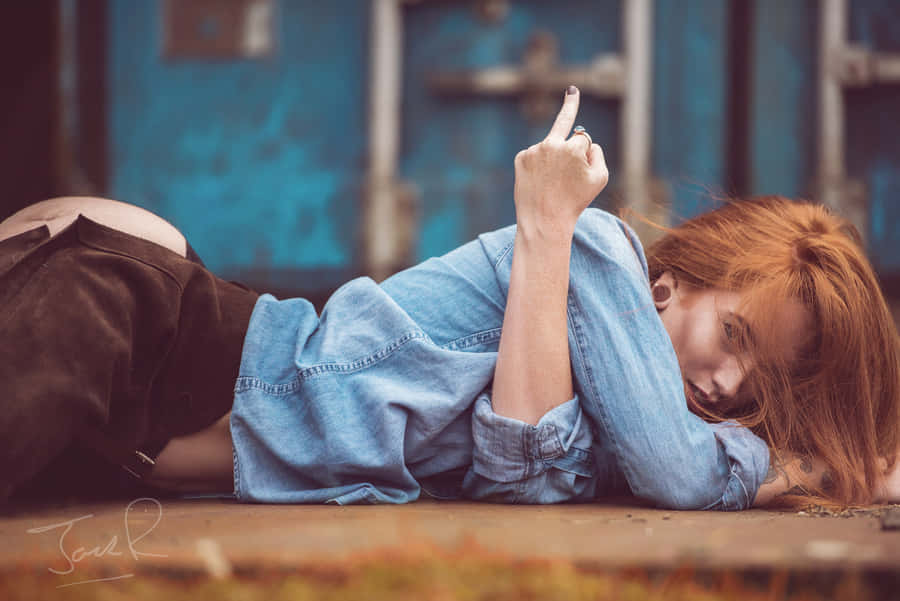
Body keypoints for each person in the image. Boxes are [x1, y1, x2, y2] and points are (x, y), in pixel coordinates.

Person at [1, 87, 898, 510]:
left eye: (762, 386)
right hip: (149, 320)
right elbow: (677, 471)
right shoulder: (596, 245)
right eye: (734, 333)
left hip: (133, 431)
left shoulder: (595, 413)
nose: (731, 385)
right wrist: (802, 469)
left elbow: (523, 466)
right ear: (670, 283)